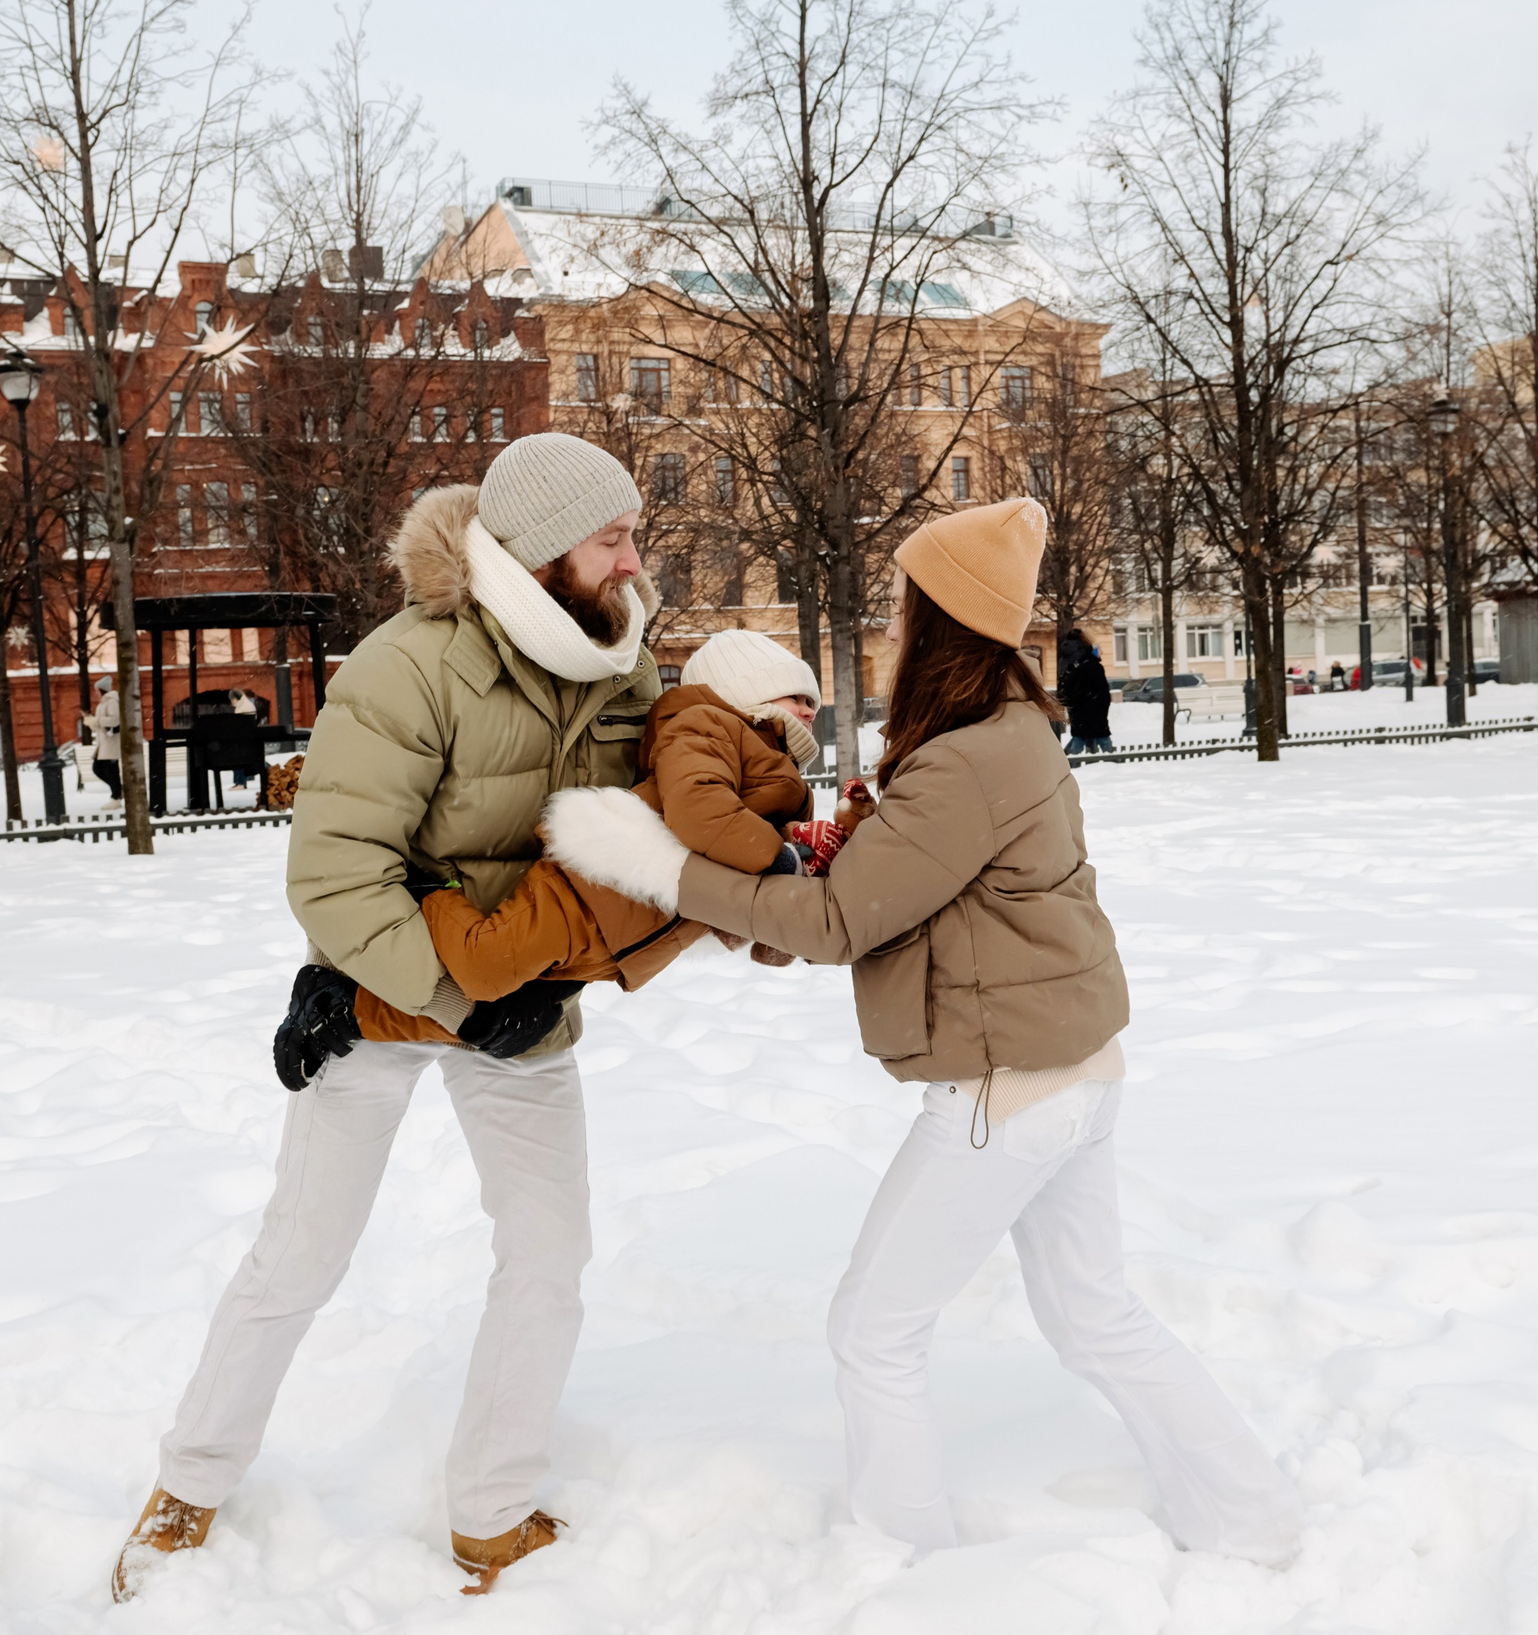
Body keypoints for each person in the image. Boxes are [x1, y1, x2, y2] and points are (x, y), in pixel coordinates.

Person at [550, 498, 1304, 1567]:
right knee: (1095, 1316)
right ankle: (1251, 1514)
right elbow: (911, 879)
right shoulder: (1005, 733)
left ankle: (900, 1557)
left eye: (906, 603)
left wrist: (668, 872)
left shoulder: (964, 760)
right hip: (1073, 1074)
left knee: (873, 1328)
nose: (893, 624)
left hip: (1009, 1095)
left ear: (941, 617)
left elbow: (840, 918)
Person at [113, 434, 664, 1602]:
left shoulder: (626, 665)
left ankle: (491, 1508)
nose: (632, 555)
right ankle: (190, 1479)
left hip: (532, 995)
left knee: (550, 1252)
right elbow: (335, 871)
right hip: (371, 994)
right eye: (610, 535)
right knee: (302, 1248)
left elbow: (650, 826)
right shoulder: (406, 665)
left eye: (630, 533)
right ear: (541, 548)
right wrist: (466, 997)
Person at [325, 627, 876, 1046]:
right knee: (484, 969)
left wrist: (800, 895)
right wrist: (778, 859)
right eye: (796, 695)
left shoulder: (789, 785)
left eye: (814, 702)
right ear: (747, 688)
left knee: (505, 1018)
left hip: (633, 937)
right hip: (592, 892)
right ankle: (431, 895)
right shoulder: (707, 726)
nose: (811, 708)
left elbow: (753, 891)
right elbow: (699, 811)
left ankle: (349, 1015)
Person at [1059, 628, 1114, 755]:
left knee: (1079, 737)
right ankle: (1113, 761)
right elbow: (1103, 693)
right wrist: (1102, 708)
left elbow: (1070, 689)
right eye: (1099, 649)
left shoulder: (1073, 663)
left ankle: (1070, 762)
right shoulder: (1095, 667)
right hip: (1095, 714)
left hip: (1079, 712)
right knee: (1103, 739)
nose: (1102, 652)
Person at [90, 682, 123, 801]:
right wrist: (93, 722)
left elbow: (115, 720)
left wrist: (97, 721)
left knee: (110, 771)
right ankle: (118, 791)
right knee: (98, 769)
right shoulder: (103, 704)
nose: (95, 694)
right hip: (104, 743)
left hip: (111, 742)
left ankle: (116, 796)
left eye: (96, 691)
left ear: (102, 690)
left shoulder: (111, 702)